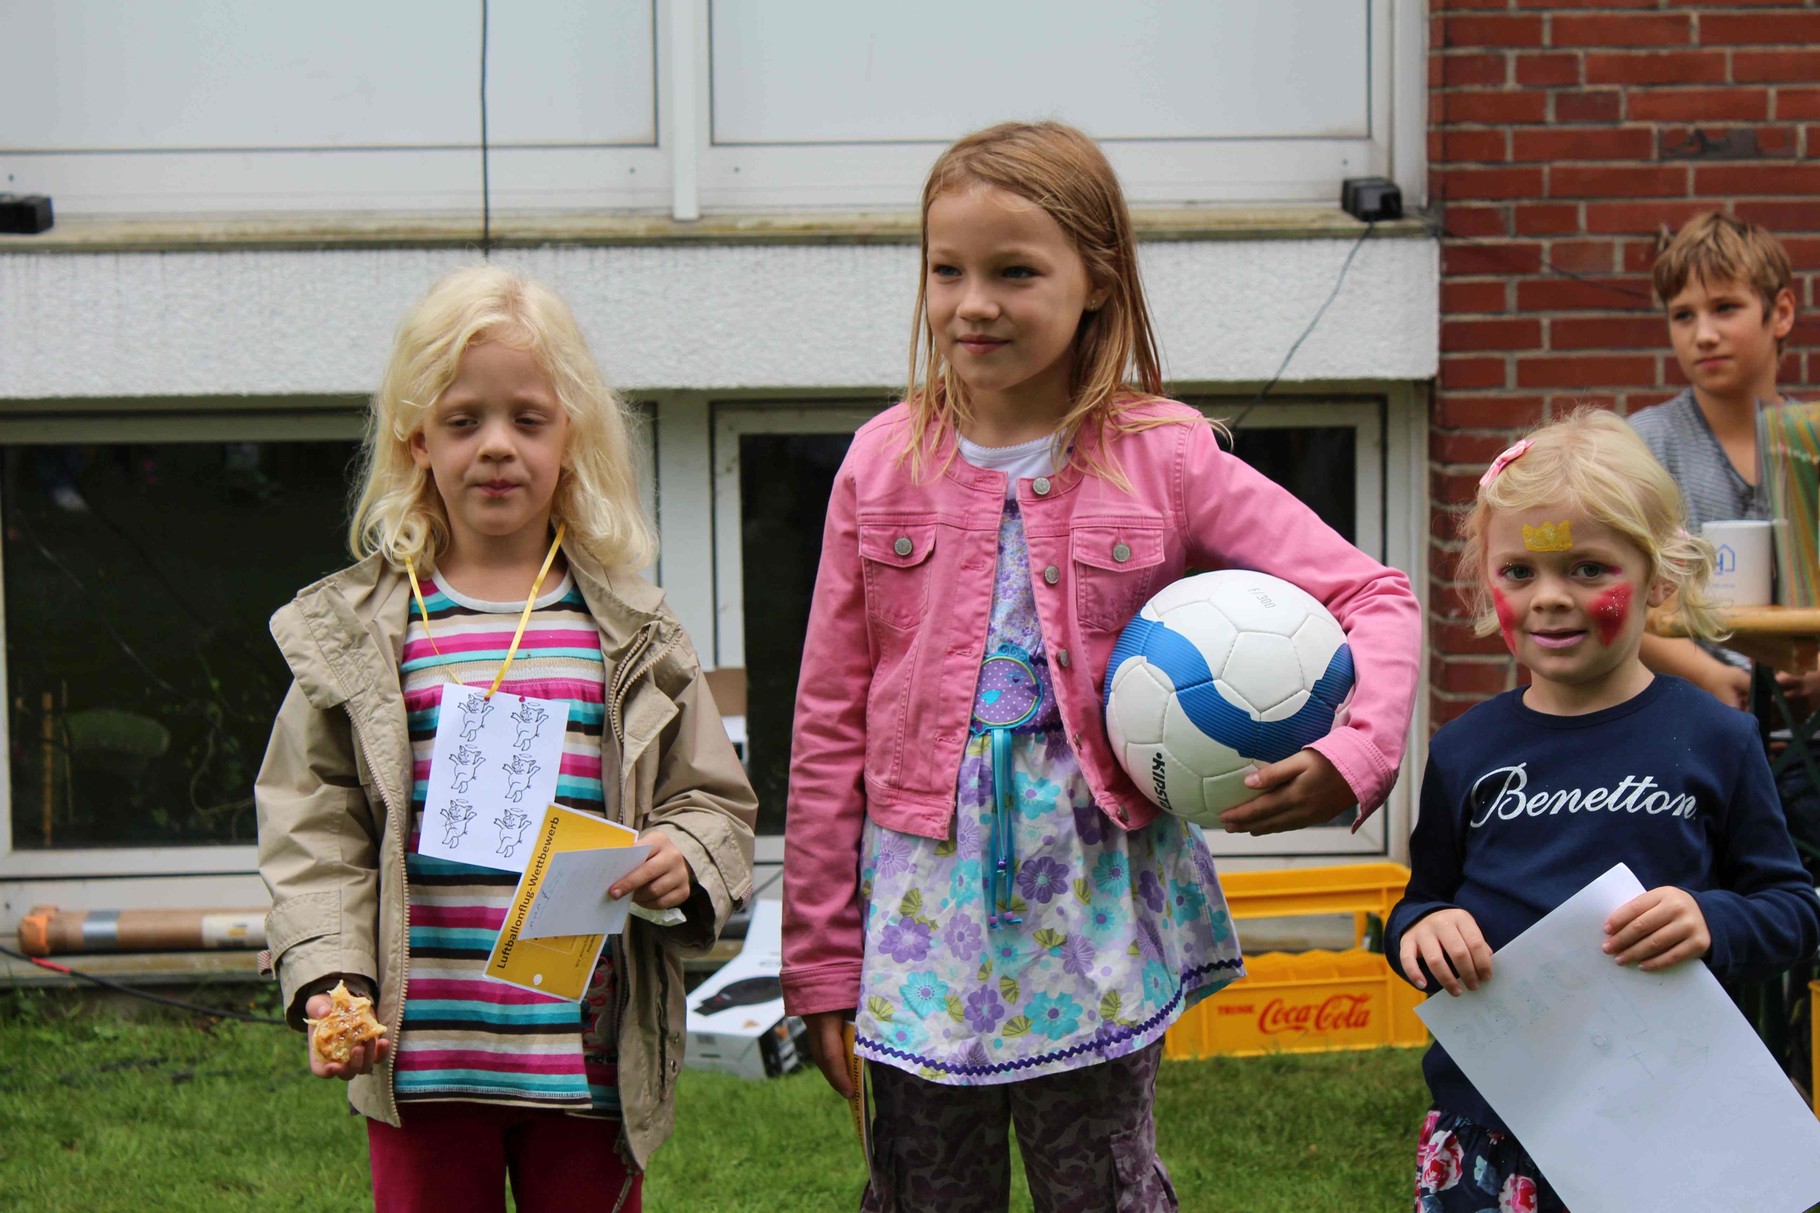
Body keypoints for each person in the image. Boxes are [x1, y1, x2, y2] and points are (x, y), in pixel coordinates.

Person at [781, 121, 1422, 1212]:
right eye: (946, 270)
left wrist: (1351, 754)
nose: (970, 302)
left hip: (1095, 902)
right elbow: (828, 720)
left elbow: (1374, 597)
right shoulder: (880, 463)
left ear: (1095, 281)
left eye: (1013, 271)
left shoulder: (1163, 457)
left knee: (1102, 1187)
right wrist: (821, 961)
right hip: (920, 913)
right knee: (923, 1188)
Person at [254, 266, 756, 1213]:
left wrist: (683, 854)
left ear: (572, 438)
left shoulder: (632, 631)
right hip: (420, 1057)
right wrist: (328, 974)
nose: (496, 447)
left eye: (528, 419)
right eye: (463, 420)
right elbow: (310, 822)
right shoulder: (362, 635)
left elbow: (712, 798)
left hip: (588, 1057)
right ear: (416, 442)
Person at [1386, 410, 1820, 1212]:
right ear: (1485, 579)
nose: (1550, 598)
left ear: (1659, 578)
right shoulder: (1463, 751)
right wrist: (1420, 930)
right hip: (1495, 1124)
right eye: (1519, 571)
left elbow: (1794, 910)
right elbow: (1421, 900)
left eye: (1588, 568)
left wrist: (1711, 919)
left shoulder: (1719, 739)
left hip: (1668, 1120)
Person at [1629, 212, 1800, 711]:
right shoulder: (1643, 445)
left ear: (1781, 312)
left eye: (1725, 308)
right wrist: (1706, 675)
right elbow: (1611, 597)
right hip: (1689, 729)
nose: (1703, 334)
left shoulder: (1810, 446)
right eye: (1683, 315)